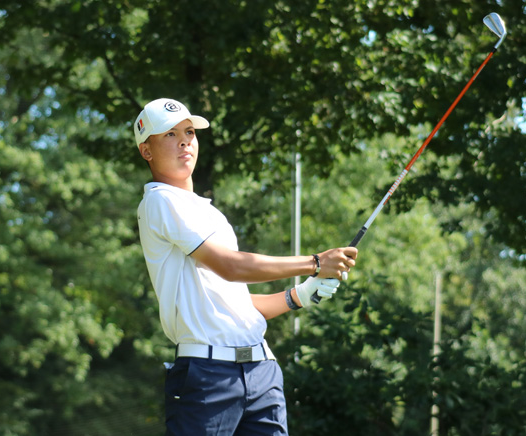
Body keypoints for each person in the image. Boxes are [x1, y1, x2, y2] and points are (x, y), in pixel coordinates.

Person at [134, 98, 358, 436]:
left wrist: (299, 294)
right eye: (169, 134)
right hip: (205, 376)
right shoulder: (159, 201)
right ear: (146, 151)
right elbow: (230, 267)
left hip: (261, 371)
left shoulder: (209, 212)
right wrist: (315, 263)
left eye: (189, 132)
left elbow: (235, 300)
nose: (184, 141)